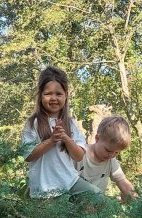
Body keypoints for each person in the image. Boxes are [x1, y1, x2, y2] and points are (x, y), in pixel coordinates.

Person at [22, 66, 99, 198]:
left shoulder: (70, 123)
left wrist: (65, 137)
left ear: (66, 96)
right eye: (48, 93)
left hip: (70, 182)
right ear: (40, 95)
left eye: (58, 94)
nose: (53, 98)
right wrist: (51, 140)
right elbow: (28, 156)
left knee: (98, 198)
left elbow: (79, 156)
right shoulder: (32, 123)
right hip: (43, 189)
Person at [75, 115, 138, 202]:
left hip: (98, 209)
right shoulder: (80, 154)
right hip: (73, 205)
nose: (111, 155)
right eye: (108, 150)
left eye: (116, 152)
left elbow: (123, 182)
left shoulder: (111, 161)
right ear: (97, 138)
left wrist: (134, 198)